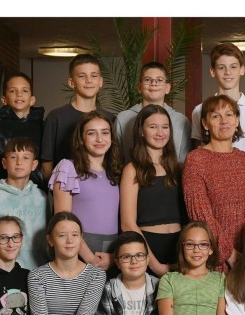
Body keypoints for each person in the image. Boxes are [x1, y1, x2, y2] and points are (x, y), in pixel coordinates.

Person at [183, 94, 245, 272]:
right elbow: (199, 215)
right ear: (205, 124)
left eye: (229, 115)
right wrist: (229, 254)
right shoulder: (196, 160)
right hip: (216, 259)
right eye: (216, 116)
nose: (224, 121)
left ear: (237, 121)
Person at [49, 110, 121, 270]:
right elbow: (62, 220)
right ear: (81, 139)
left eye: (105, 132)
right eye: (91, 133)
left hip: (112, 249)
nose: (100, 139)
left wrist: (114, 256)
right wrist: (90, 258)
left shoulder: (115, 172)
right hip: (79, 247)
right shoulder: (68, 167)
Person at [120, 104, 187, 276]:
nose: (160, 133)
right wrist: (155, 265)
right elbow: (127, 223)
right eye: (153, 127)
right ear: (141, 131)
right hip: (147, 245)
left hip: (180, 245)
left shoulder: (179, 168)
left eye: (165, 127)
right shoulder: (132, 170)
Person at [0, 137, 49, 273]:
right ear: (4, 163)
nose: (19, 162)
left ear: (34, 164)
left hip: (38, 271)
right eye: (13, 157)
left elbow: (48, 238)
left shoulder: (41, 197)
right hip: (4, 271)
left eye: (25, 157)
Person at [40, 54, 115, 182]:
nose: (89, 80)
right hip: (66, 189)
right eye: (82, 76)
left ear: (101, 81)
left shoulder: (110, 118)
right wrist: (58, 190)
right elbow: (47, 165)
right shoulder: (56, 117)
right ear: (71, 82)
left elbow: (114, 159)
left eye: (94, 76)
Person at [189, 42, 245, 153]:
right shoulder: (199, 110)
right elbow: (197, 149)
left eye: (233, 67)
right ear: (212, 71)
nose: (228, 72)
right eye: (221, 68)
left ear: (242, 69)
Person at [116, 61, 191, 165]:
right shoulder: (123, 118)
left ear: (167, 88)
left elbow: (185, 160)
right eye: (147, 79)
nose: (153, 83)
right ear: (139, 87)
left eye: (159, 80)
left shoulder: (181, 120)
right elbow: (117, 158)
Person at [0, 73, 45, 186]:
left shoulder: (43, 127)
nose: (19, 94)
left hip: (36, 191)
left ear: (32, 99)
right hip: (0, 190)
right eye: (13, 91)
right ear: (4, 99)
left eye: (24, 90)